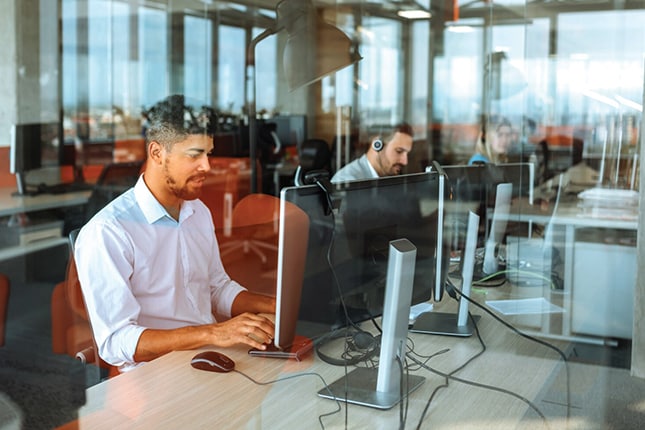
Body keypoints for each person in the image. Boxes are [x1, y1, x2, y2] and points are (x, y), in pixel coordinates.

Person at [74, 95, 275, 373]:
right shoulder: (108, 231)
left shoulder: (197, 212)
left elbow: (217, 288)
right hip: (154, 374)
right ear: (157, 153)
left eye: (209, 153)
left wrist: (277, 306)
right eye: (194, 155)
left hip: (210, 355)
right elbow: (116, 341)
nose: (207, 166)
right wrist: (214, 333)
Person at [331, 123, 414, 183]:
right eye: (399, 151)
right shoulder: (347, 181)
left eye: (407, 154)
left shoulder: (392, 180)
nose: (405, 161)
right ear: (377, 144)